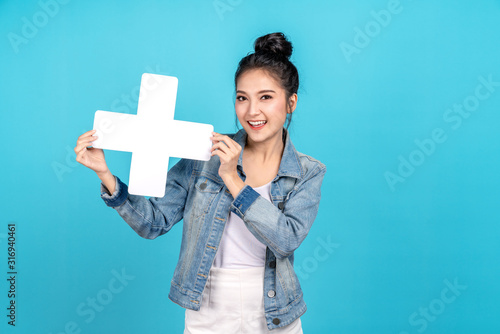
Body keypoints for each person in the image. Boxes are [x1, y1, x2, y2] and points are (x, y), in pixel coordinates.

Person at [74, 32, 326, 333]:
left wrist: (232, 178)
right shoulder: (204, 155)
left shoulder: (308, 172)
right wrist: (106, 176)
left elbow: (285, 240)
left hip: (275, 309)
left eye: (266, 97)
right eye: (242, 97)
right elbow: (152, 223)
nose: (252, 111)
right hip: (209, 306)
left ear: (291, 103)